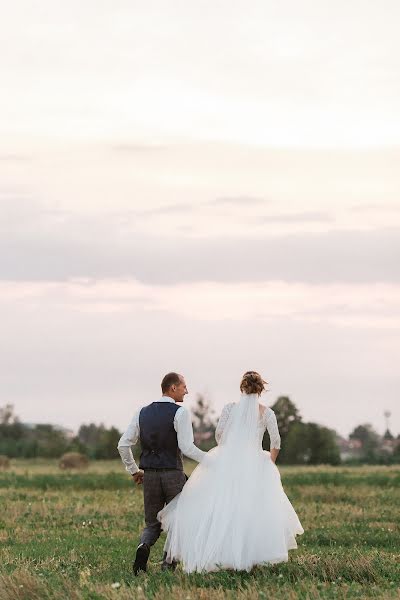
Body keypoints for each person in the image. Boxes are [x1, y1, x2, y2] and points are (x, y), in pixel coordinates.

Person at [158, 371, 304, 573]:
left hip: (226, 461)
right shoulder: (267, 413)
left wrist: (229, 453)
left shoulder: (229, 409)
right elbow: (276, 442)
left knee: (221, 509)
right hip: (255, 462)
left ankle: (219, 556)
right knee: (253, 511)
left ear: (242, 388)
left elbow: (219, 435)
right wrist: (268, 462)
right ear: (260, 389)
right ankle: (250, 559)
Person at [117, 372, 205, 575]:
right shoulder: (180, 412)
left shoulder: (141, 412)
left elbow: (123, 445)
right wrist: (211, 460)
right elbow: (187, 447)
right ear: (173, 388)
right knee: (179, 521)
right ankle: (168, 565)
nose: (187, 390)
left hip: (150, 476)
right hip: (173, 475)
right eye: (184, 386)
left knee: (152, 523)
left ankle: (143, 547)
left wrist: (134, 470)